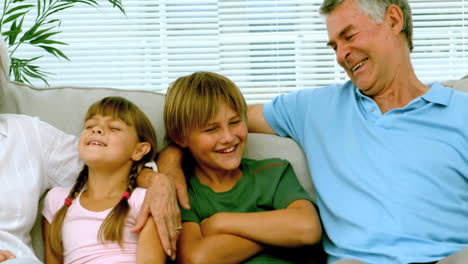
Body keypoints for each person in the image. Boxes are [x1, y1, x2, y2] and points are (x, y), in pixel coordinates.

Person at [156, 0, 468, 263]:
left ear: (393, 19)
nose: (340, 55)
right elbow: (215, 123)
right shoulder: (314, 108)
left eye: (349, 36)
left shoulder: (461, 112)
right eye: (334, 45)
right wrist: (169, 164)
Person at [163, 71, 322, 263]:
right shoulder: (184, 193)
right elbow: (197, 258)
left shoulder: (273, 172)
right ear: (180, 137)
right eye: (211, 129)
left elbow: (307, 228)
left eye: (235, 122)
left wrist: (218, 223)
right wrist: (277, 234)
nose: (229, 137)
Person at [42, 96, 165, 264]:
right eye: (90, 126)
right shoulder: (57, 201)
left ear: (139, 150)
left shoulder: (145, 200)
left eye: (114, 128)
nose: (96, 130)